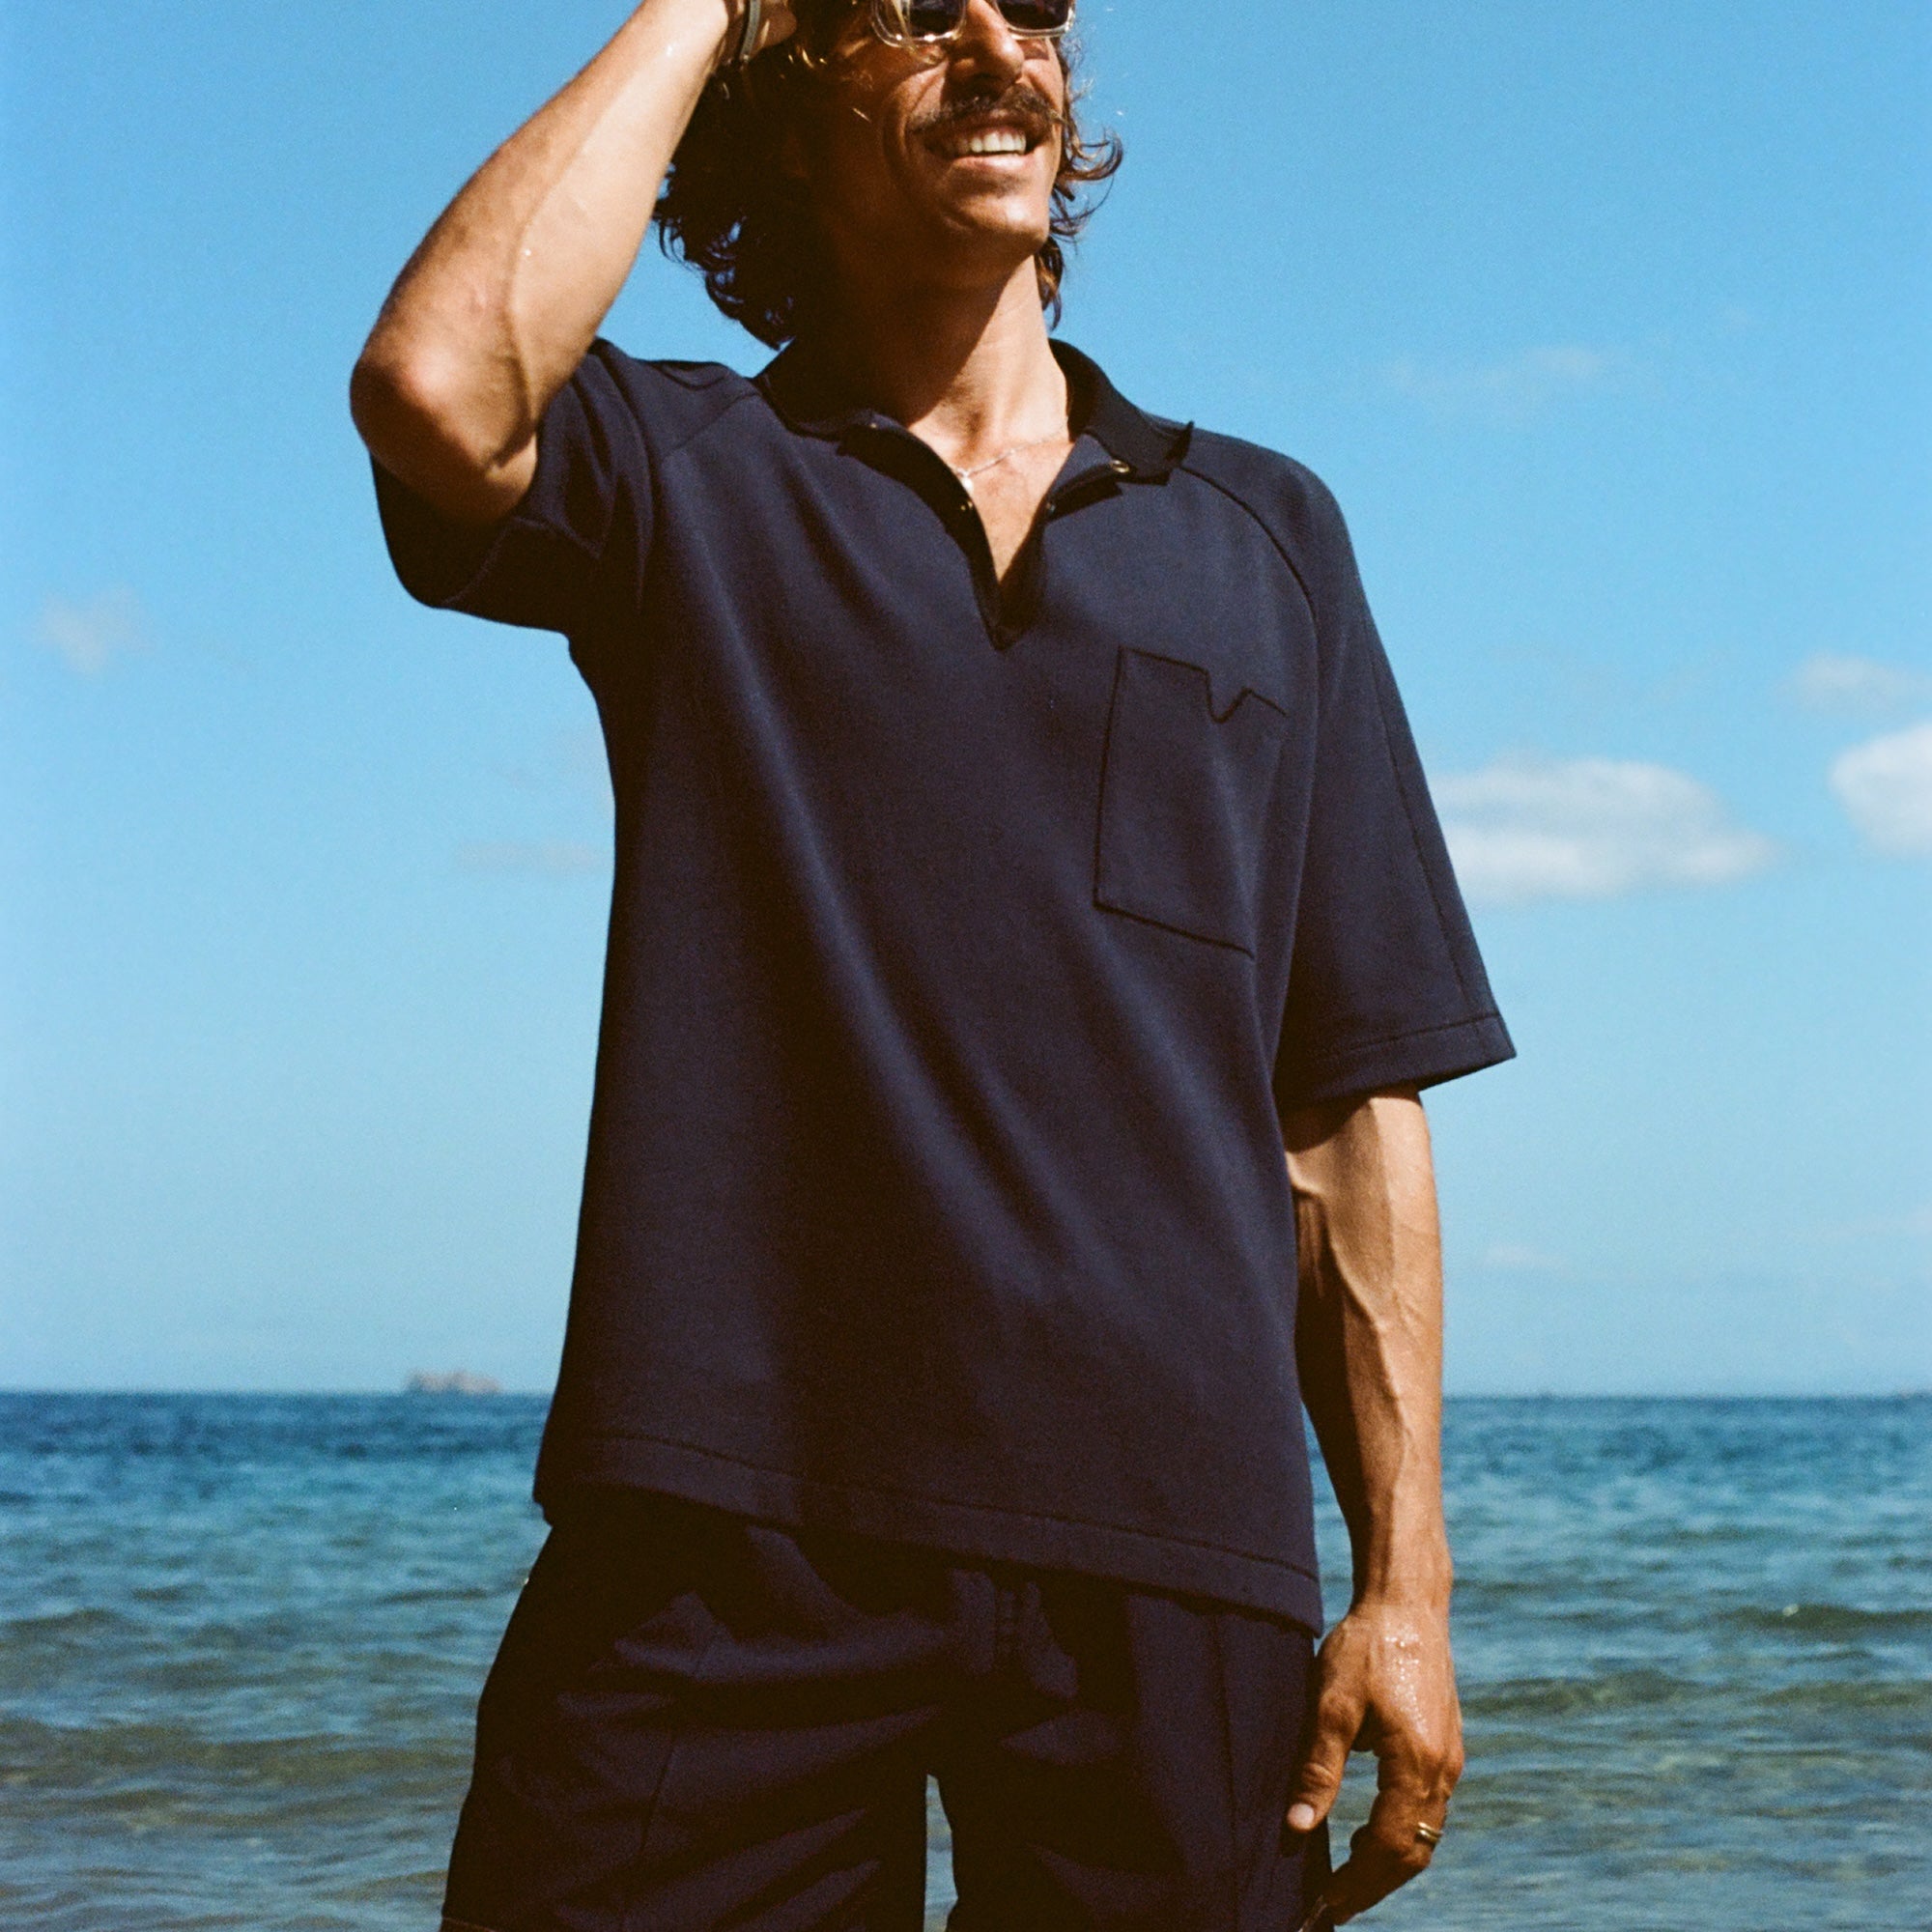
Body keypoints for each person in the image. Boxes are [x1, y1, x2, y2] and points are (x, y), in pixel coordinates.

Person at [351, 3, 1515, 1926]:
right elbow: (433, 389)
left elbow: (1345, 1094)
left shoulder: (1267, 534)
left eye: (1031, 10)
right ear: (783, 107)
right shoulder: (682, 469)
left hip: (1175, 1557)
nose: (1000, 49)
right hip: (725, 1520)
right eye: (913, 14)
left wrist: (1405, 1584)